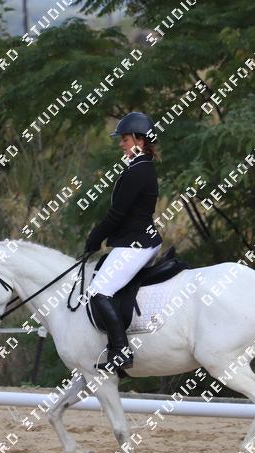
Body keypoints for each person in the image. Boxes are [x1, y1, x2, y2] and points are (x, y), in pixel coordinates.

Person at [84, 111, 163, 371]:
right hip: (138, 239)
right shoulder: (140, 167)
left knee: (98, 291)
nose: (121, 144)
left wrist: (95, 237)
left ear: (140, 140)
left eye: (125, 139)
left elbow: (116, 215)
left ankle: (120, 351)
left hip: (137, 243)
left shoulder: (138, 172)